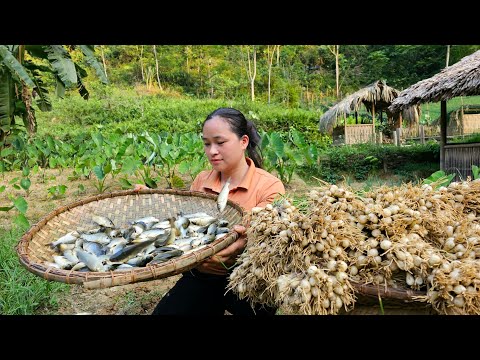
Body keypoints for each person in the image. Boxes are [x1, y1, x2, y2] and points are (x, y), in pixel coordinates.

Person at [136, 107, 285, 315]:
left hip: (248, 278)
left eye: (220, 142)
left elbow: (270, 237)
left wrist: (238, 246)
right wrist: (153, 200)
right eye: (207, 144)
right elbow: (183, 222)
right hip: (202, 275)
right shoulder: (202, 180)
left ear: (243, 142)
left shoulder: (269, 186)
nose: (212, 151)